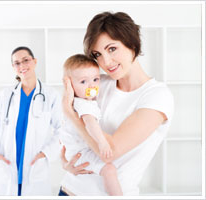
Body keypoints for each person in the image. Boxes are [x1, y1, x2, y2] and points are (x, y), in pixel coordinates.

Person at [59, 11, 174, 196]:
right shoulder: (97, 83)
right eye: (98, 54)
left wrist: (71, 115)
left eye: (112, 49)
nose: (106, 62)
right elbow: (67, 133)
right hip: (68, 189)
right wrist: (64, 161)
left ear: (132, 43)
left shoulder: (157, 96)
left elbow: (110, 151)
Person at [0, 46, 62, 196]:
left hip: (35, 165)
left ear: (34, 62)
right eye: (17, 63)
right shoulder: (5, 96)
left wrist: (45, 153)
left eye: (26, 60)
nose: (22, 66)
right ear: (13, 67)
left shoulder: (50, 95)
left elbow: (63, 129)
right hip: (7, 163)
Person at [60, 54, 123, 195]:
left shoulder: (75, 103)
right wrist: (102, 143)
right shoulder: (84, 104)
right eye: (83, 82)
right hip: (81, 153)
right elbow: (90, 124)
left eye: (96, 79)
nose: (92, 86)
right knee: (109, 170)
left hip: (74, 152)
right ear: (69, 84)